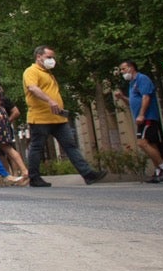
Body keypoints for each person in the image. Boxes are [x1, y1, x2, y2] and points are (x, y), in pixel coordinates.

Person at [23, 45, 107, 187]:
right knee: (37, 147)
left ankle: (88, 174)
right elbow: (33, 88)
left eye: (53, 57)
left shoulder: (48, 73)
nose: (52, 60)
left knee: (70, 145)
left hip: (58, 118)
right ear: (39, 57)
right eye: (49, 57)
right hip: (41, 118)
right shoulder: (31, 71)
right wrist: (50, 101)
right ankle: (34, 177)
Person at [117, 60, 163, 183]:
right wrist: (122, 97)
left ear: (131, 68)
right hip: (141, 119)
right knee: (151, 144)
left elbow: (146, 97)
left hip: (148, 117)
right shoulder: (132, 83)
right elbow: (132, 101)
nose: (122, 72)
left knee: (142, 143)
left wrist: (142, 114)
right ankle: (159, 172)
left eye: (123, 69)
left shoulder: (142, 79)